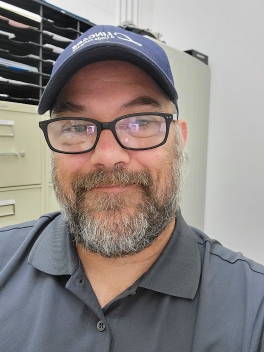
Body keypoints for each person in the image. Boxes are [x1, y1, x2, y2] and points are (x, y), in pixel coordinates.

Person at [0, 24, 263, 352]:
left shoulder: (253, 309)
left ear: (179, 139)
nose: (108, 156)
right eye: (77, 127)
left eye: (140, 123)